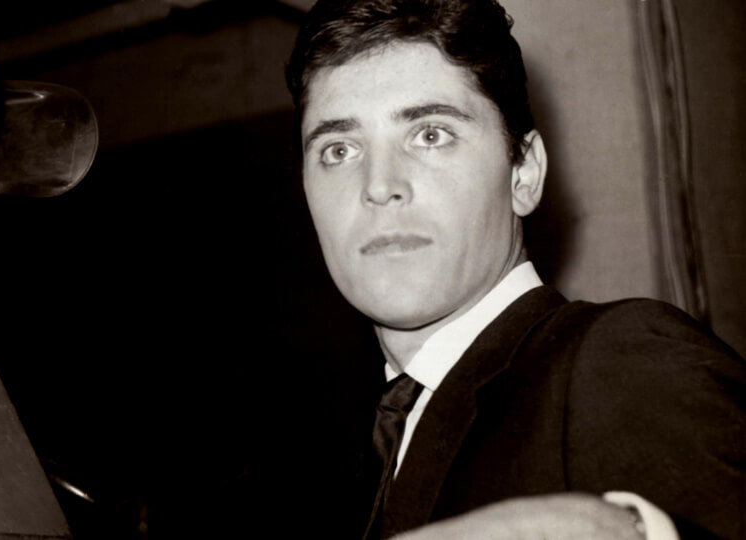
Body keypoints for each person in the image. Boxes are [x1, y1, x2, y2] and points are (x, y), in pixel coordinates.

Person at [280, 0, 746, 538]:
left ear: (524, 174)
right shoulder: (336, 457)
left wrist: (636, 530)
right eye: (338, 150)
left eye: (430, 134)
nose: (379, 186)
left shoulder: (618, 361)